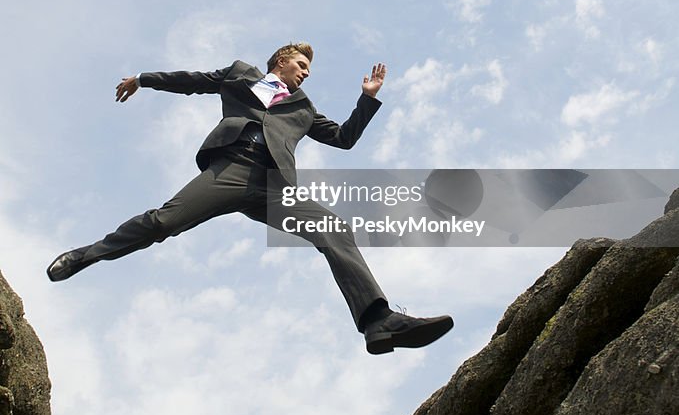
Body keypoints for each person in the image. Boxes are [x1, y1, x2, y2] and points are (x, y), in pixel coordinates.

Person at [47, 42, 453, 354]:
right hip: (231, 169)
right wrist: (143, 79)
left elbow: (344, 139)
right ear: (282, 60)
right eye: (302, 66)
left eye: (308, 71)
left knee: (334, 228)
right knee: (162, 223)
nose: (305, 75)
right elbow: (193, 80)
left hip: (274, 184)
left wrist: (368, 98)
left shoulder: (304, 108)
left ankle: (377, 320)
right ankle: (87, 254)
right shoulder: (242, 74)